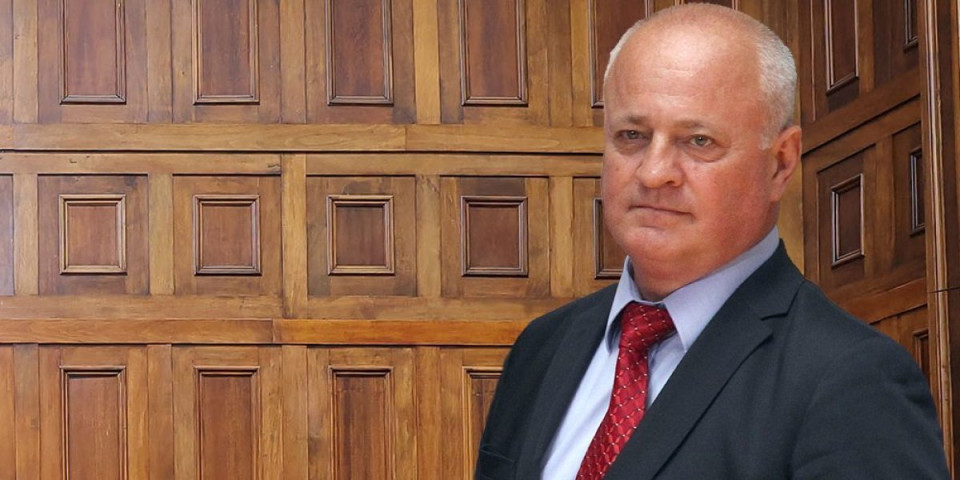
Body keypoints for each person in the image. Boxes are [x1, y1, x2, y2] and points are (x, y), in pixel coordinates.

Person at [475, 4, 949, 480]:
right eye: (632, 135)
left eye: (698, 141)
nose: (654, 172)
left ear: (781, 163)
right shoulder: (542, 349)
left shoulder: (851, 379)